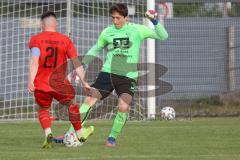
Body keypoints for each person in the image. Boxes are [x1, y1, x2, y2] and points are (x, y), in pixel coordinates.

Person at [67, 3, 169, 147]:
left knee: (123, 106)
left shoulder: (137, 30)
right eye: (113, 18)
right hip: (107, 73)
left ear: (126, 18)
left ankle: (112, 138)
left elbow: (163, 36)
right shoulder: (107, 32)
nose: (115, 21)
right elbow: (95, 49)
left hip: (128, 77)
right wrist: (81, 65)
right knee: (89, 100)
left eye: (118, 18)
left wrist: (154, 21)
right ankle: (72, 133)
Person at [27, 11, 93, 149]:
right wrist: (84, 81)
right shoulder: (65, 40)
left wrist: (31, 81)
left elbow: (34, 60)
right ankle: (80, 133)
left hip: (41, 83)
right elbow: (76, 63)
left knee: (43, 108)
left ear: (41, 24)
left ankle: (48, 133)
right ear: (56, 23)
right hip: (60, 84)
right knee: (72, 104)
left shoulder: (36, 39)